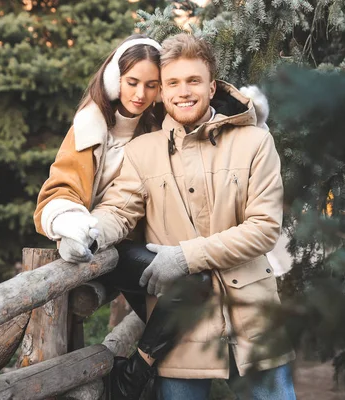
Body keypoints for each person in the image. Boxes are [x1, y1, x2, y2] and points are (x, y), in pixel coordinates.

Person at [58, 33, 297, 400]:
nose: (183, 91)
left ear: (211, 85)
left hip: (253, 321)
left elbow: (264, 229)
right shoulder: (142, 151)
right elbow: (119, 211)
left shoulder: (255, 143)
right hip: (183, 333)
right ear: (162, 92)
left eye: (193, 81)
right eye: (172, 83)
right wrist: (88, 232)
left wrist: (185, 257)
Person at [34, 34, 216, 400]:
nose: (140, 94)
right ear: (114, 79)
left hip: (136, 243)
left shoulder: (155, 125)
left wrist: (249, 116)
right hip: (95, 247)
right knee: (189, 292)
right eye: (132, 82)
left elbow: (201, 107)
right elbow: (60, 189)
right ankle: (134, 379)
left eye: (152, 85)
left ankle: (133, 376)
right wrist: (73, 224)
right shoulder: (90, 125)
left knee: (188, 311)